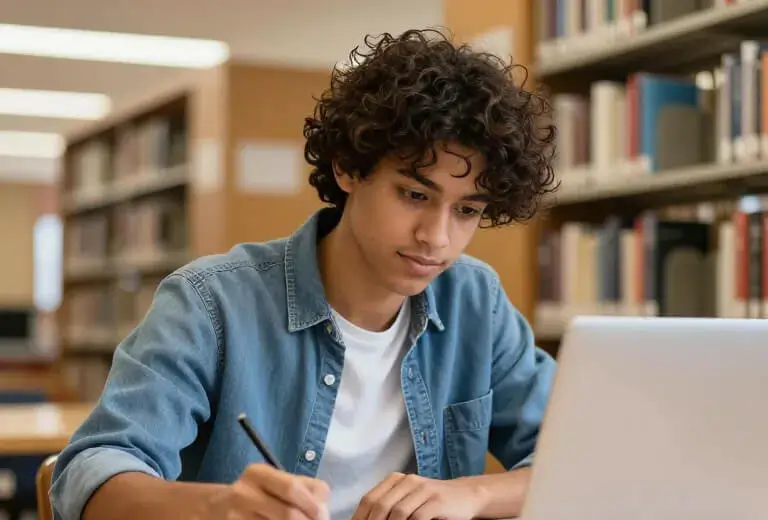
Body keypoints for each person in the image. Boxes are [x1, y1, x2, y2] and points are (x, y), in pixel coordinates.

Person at [50, 28, 558, 520]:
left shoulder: (476, 301)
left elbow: (579, 455)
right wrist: (218, 507)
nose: (437, 237)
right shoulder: (210, 303)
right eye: (415, 195)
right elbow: (91, 471)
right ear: (348, 169)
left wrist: (471, 495)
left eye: (467, 210)